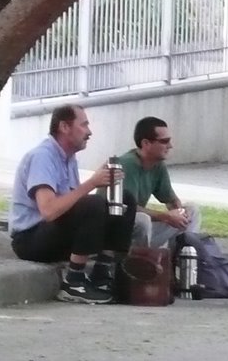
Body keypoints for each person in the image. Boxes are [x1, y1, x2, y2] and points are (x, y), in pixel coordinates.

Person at [8, 104, 142, 304]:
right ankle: (74, 282)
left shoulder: (69, 159)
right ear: (64, 127)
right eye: (84, 125)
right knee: (93, 203)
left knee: (125, 200)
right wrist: (91, 183)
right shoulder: (43, 156)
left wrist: (102, 183)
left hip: (55, 235)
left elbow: (73, 204)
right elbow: (49, 211)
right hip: (30, 240)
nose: (89, 132)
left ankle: (102, 276)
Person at [110, 116, 202, 248]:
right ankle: (140, 263)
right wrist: (165, 216)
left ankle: (183, 257)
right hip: (116, 232)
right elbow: (129, 209)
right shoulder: (127, 164)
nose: (170, 146)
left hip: (138, 230)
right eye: (164, 141)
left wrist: (179, 213)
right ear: (146, 143)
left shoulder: (158, 165)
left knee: (192, 210)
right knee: (142, 220)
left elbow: (171, 200)